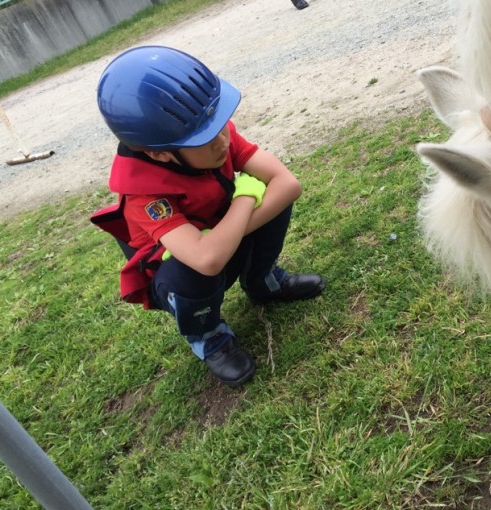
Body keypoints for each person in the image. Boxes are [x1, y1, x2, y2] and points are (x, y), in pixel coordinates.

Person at [91, 46, 325, 387]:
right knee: (187, 270)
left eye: (219, 121)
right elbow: (206, 259)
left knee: (273, 201)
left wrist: (226, 234)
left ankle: (263, 282)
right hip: (184, 273)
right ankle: (209, 337)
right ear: (159, 153)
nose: (223, 138)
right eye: (205, 136)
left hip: (218, 240)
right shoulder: (146, 195)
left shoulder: (210, 136)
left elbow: (288, 185)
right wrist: (245, 199)